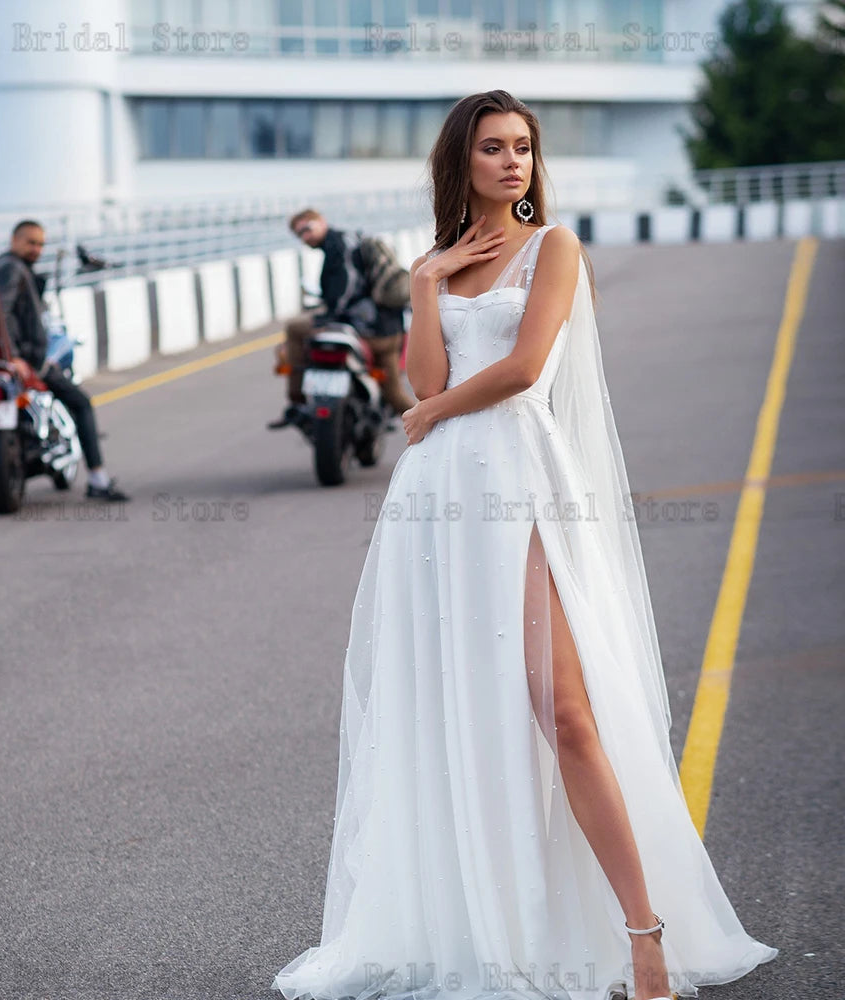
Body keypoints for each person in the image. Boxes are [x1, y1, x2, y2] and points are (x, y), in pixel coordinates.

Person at [271, 91, 777, 1000]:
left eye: (524, 150)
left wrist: (426, 412)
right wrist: (426, 286)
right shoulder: (435, 263)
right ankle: (491, 927)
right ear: (460, 161)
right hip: (437, 502)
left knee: (564, 711)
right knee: (456, 712)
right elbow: (423, 374)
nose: (514, 164)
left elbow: (522, 368)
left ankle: (644, 930)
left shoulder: (555, 247)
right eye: (494, 149)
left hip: (521, 480)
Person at [0, 220, 129, 503]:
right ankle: (98, 478)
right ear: (14, 240)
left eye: (40, 244)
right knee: (81, 404)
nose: (36, 249)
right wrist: (17, 358)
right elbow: (4, 313)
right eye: (30, 242)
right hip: (25, 361)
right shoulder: (12, 269)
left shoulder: (5, 267)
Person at [268, 209, 417, 429]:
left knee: (294, 328)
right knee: (394, 392)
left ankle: (297, 400)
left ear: (321, 222)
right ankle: (431, 430)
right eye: (300, 235)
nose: (305, 237)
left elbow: (346, 284)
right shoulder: (352, 241)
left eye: (307, 229)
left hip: (366, 328)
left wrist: (330, 315)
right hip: (388, 327)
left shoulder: (338, 246)